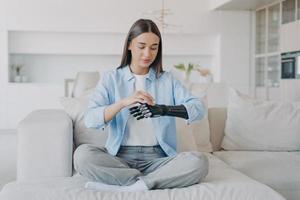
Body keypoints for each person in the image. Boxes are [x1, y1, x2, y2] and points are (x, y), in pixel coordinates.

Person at [74, 19, 209, 192]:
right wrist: (123, 103)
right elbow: (91, 120)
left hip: (159, 159)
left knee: (199, 162)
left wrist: (163, 109)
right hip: (119, 157)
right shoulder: (111, 78)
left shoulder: (167, 79)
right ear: (130, 45)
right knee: (82, 156)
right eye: (142, 46)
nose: (147, 54)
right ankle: (144, 183)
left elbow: (198, 109)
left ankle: (130, 184)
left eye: (154, 47)